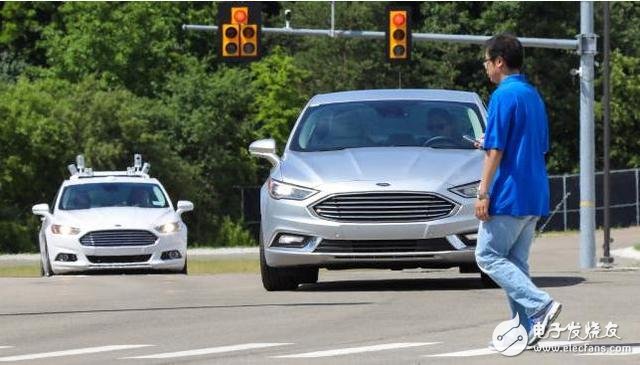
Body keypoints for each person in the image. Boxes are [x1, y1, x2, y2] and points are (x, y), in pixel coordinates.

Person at [474, 33, 562, 348]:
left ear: (499, 61)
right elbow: (535, 145)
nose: (486, 67)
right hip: (534, 191)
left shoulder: (502, 95)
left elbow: (496, 149)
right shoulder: (532, 95)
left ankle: (541, 304)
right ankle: (525, 331)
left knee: (486, 256)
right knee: (516, 262)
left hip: (509, 192)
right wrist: (490, 142)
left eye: (487, 61)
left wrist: (483, 192)